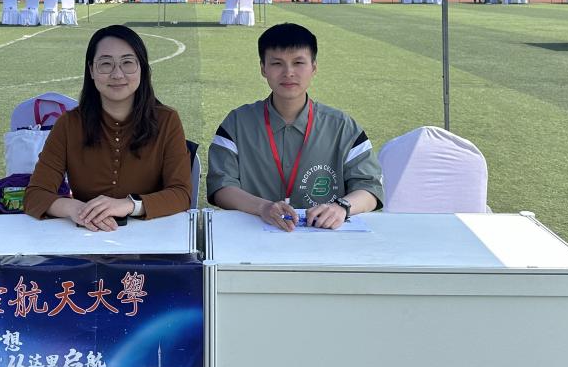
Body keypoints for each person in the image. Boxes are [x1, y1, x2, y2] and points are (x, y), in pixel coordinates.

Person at [208, 22, 383, 231]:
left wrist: (342, 207)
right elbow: (221, 186)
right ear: (263, 68)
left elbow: (370, 187)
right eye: (277, 63)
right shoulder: (237, 123)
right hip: (253, 238)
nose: (288, 72)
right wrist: (263, 207)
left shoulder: (342, 127)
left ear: (314, 67)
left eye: (298, 62)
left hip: (325, 239)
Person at [25, 25, 191, 229]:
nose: (117, 74)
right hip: (88, 235)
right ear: (91, 70)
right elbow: (35, 194)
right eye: (106, 64)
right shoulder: (69, 124)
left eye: (127, 63)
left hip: (151, 235)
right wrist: (75, 209)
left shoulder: (167, 120)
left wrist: (130, 205)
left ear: (142, 68)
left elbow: (181, 193)